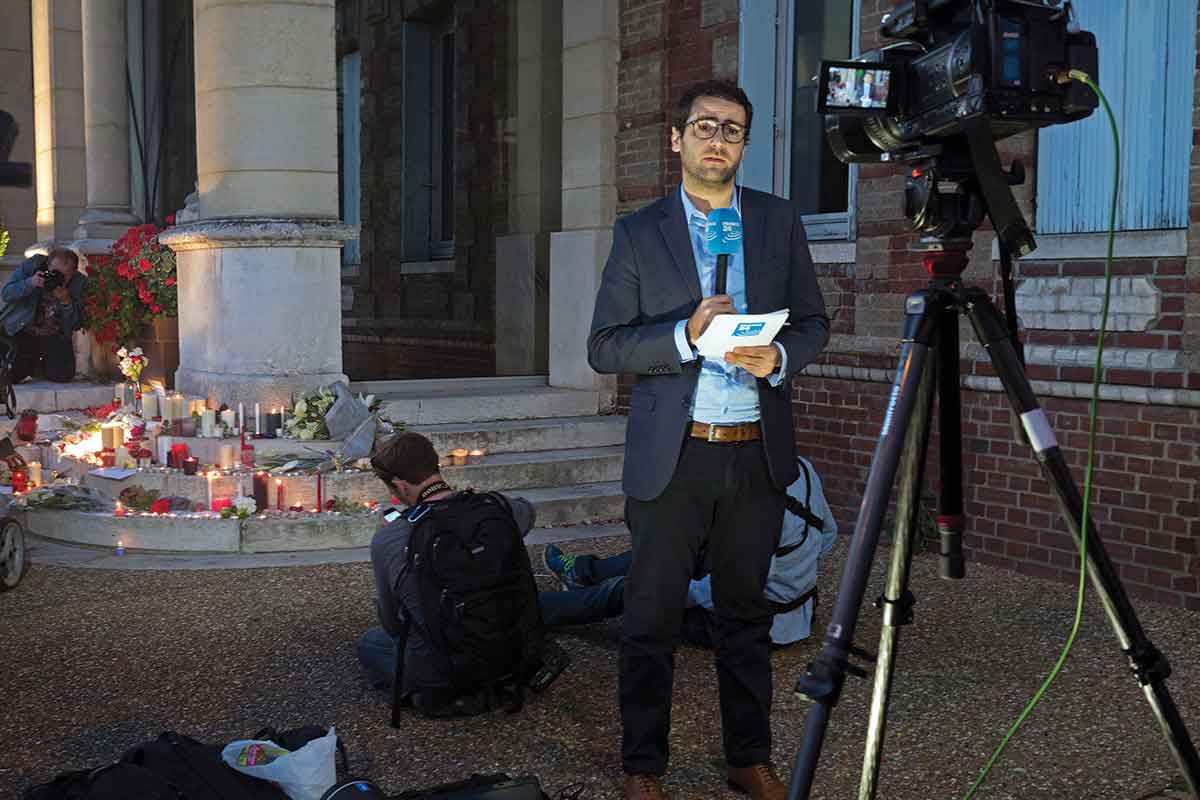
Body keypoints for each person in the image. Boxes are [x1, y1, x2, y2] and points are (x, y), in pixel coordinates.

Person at [587, 79, 829, 800]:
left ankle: (747, 758)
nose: (716, 139)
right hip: (675, 453)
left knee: (746, 617)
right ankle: (642, 767)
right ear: (677, 138)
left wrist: (779, 357)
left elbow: (813, 322)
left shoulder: (779, 223)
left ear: (744, 145)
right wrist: (684, 338)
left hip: (755, 449)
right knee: (650, 619)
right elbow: (605, 347)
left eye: (731, 129)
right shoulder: (639, 231)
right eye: (703, 126)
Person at [540, 456, 838, 647]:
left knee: (636, 588)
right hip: (798, 612)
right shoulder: (801, 468)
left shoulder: (752, 498)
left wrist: (660, 591)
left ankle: (535, 610)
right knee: (667, 554)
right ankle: (582, 572)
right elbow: (828, 534)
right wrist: (793, 570)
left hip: (760, 626)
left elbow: (733, 587)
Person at [356, 432, 539, 715]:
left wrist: (385, 537)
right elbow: (529, 510)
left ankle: (440, 694)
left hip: (444, 668)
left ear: (400, 485)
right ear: (435, 464)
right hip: (511, 651)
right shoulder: (495, 509)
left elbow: (393, 625)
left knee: (370, 643)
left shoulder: (391, 538)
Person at [0, 248, 85, 383]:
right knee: (10, 377)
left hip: (53, 334)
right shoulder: (32, 266)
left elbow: (76, 324)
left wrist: (66, 302)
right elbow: (6, 294)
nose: (60, 279)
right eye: (55, 273)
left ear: (74, 272)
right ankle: (31, 364)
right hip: (22, 331)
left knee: (62, 376)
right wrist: (30, 283)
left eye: (66, 275)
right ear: (47, 265)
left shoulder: (79, 283)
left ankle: (38, 365)